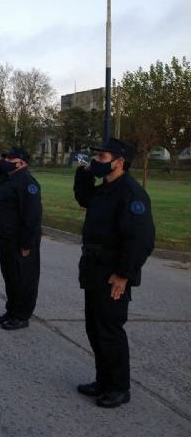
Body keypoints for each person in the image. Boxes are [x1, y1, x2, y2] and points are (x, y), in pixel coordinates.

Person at [73, 138, 155, 408]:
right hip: (94, 269)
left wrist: (123, 274)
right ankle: (103, 380)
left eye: (103, 156)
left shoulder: (131, 193)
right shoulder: (104, 190)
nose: (97, 160)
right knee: (95, 329)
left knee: (109, 330)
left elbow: (140, 240)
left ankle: (119, 388)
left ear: (120, 161)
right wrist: (84, 174)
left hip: (112, 273)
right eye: (95, 155)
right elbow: (83, 198)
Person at [0, 148, 42, 330]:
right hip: (6, 239)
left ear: (21, 163)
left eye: (10, 158)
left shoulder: (27, 183)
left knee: (23, 279)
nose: (5, 161)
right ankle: (11, 310)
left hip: (20, 242)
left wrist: (27, 243)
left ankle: (21, 315)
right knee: (11, 277)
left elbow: (32, 216)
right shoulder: (7, 179)